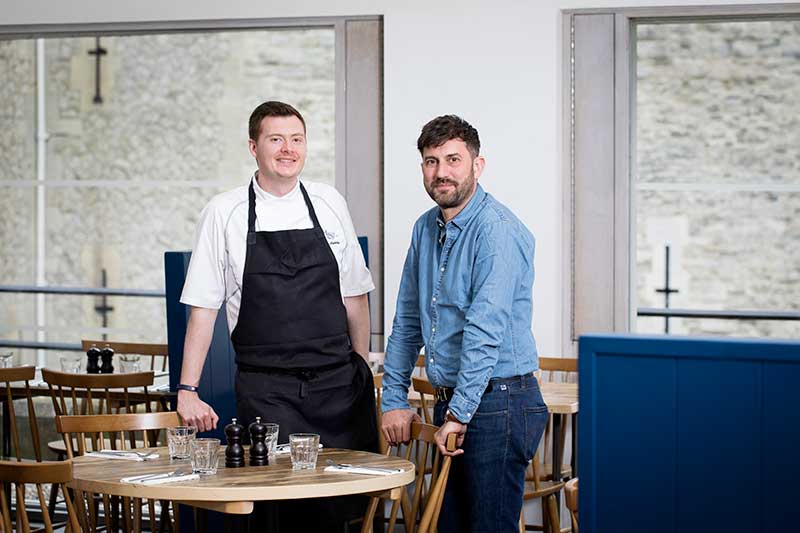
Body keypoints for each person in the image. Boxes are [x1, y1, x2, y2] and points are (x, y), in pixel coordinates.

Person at [178, 101, 378, 531]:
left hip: (337, 389)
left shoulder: (328, 201)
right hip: (267, 391)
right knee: (278, 510)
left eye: (297, 139)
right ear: (253, 146)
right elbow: (203, 307)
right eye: (276, 139)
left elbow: (354, 294)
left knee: (341, 510)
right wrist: (187, 388)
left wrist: (359, 366)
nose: (288, 149)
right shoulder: (224, 211)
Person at [380, 114, 548, 532]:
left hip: (500, 401)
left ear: (478, 164)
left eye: (453, 160)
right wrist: (394, 399)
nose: (441, 172)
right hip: (458, 401)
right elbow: (406, 323)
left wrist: (458, 413)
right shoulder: (425, 228)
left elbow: (484, 331)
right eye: (431, 161)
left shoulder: (497, 232)